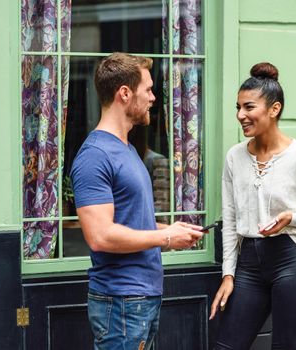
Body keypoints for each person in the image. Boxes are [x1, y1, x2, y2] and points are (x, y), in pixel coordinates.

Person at [70, 52, 204, 350]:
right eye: (148, 89)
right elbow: (100, 235)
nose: (153, 98)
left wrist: (170, 233)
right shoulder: (95, 156)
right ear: (125, 94)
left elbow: (128, 221)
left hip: (139, 299)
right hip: (121, 303)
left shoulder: (127, 149)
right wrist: (164, 235)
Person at [209, 62, 296, 350]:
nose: (240, 115)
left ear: (274, 109)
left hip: (294, 261)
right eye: (238, 107)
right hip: (249, 266)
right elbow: (230, 220)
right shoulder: (235, 157)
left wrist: (293, 218)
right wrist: (228, 274)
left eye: (249, 107)